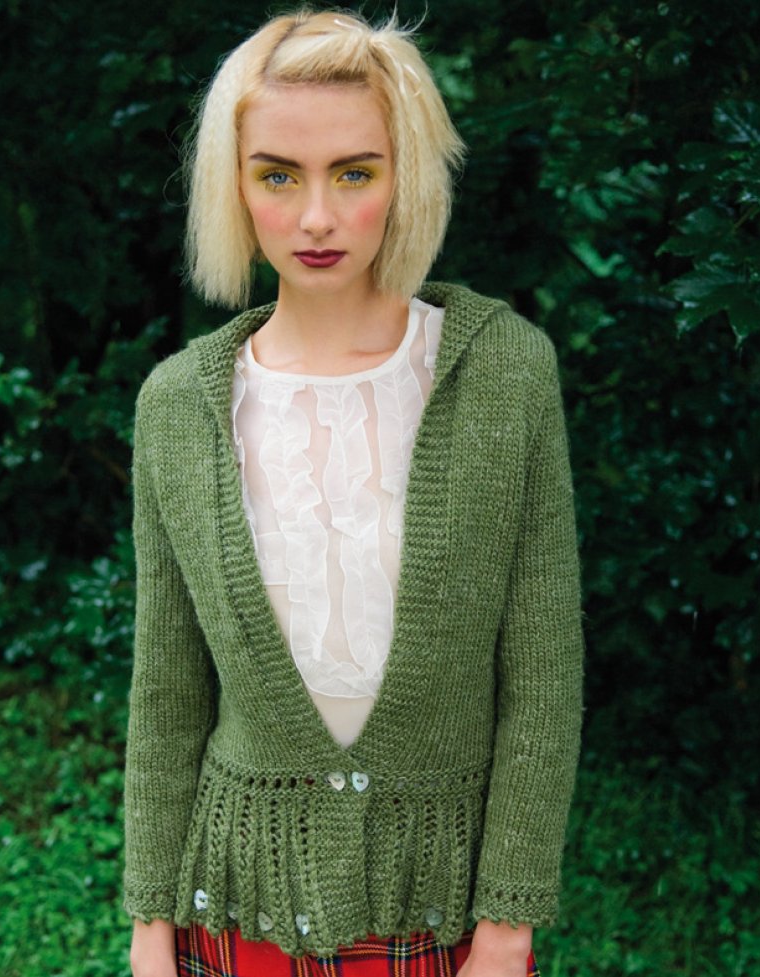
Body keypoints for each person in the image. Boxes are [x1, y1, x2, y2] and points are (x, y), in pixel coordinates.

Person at [123, 9, 583, 977]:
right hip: (232, 911)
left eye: (354, 173)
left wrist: (507, 921)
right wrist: (149, 924)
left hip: (445, 919)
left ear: (403, 177)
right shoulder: (177, 407)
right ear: (234, 185)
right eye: (277, 175)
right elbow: (166, 691)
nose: (316, 218)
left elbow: (542, 673)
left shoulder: (502, 375)